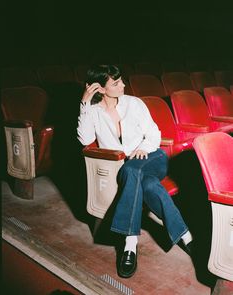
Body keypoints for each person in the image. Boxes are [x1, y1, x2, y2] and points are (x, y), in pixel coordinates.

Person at [77, 65, 193, 278]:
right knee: (147, 185)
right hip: (128, 167)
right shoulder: (93, 111)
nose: (122, 85)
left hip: (152, 157)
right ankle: (186, 236)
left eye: (121, 80)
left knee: (132, 170)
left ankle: (129, 244)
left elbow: (154, 134)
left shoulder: (134, 103)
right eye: (115, 83)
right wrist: (84, 103)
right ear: (100, 89)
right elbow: (84, 140)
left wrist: (143, 148)